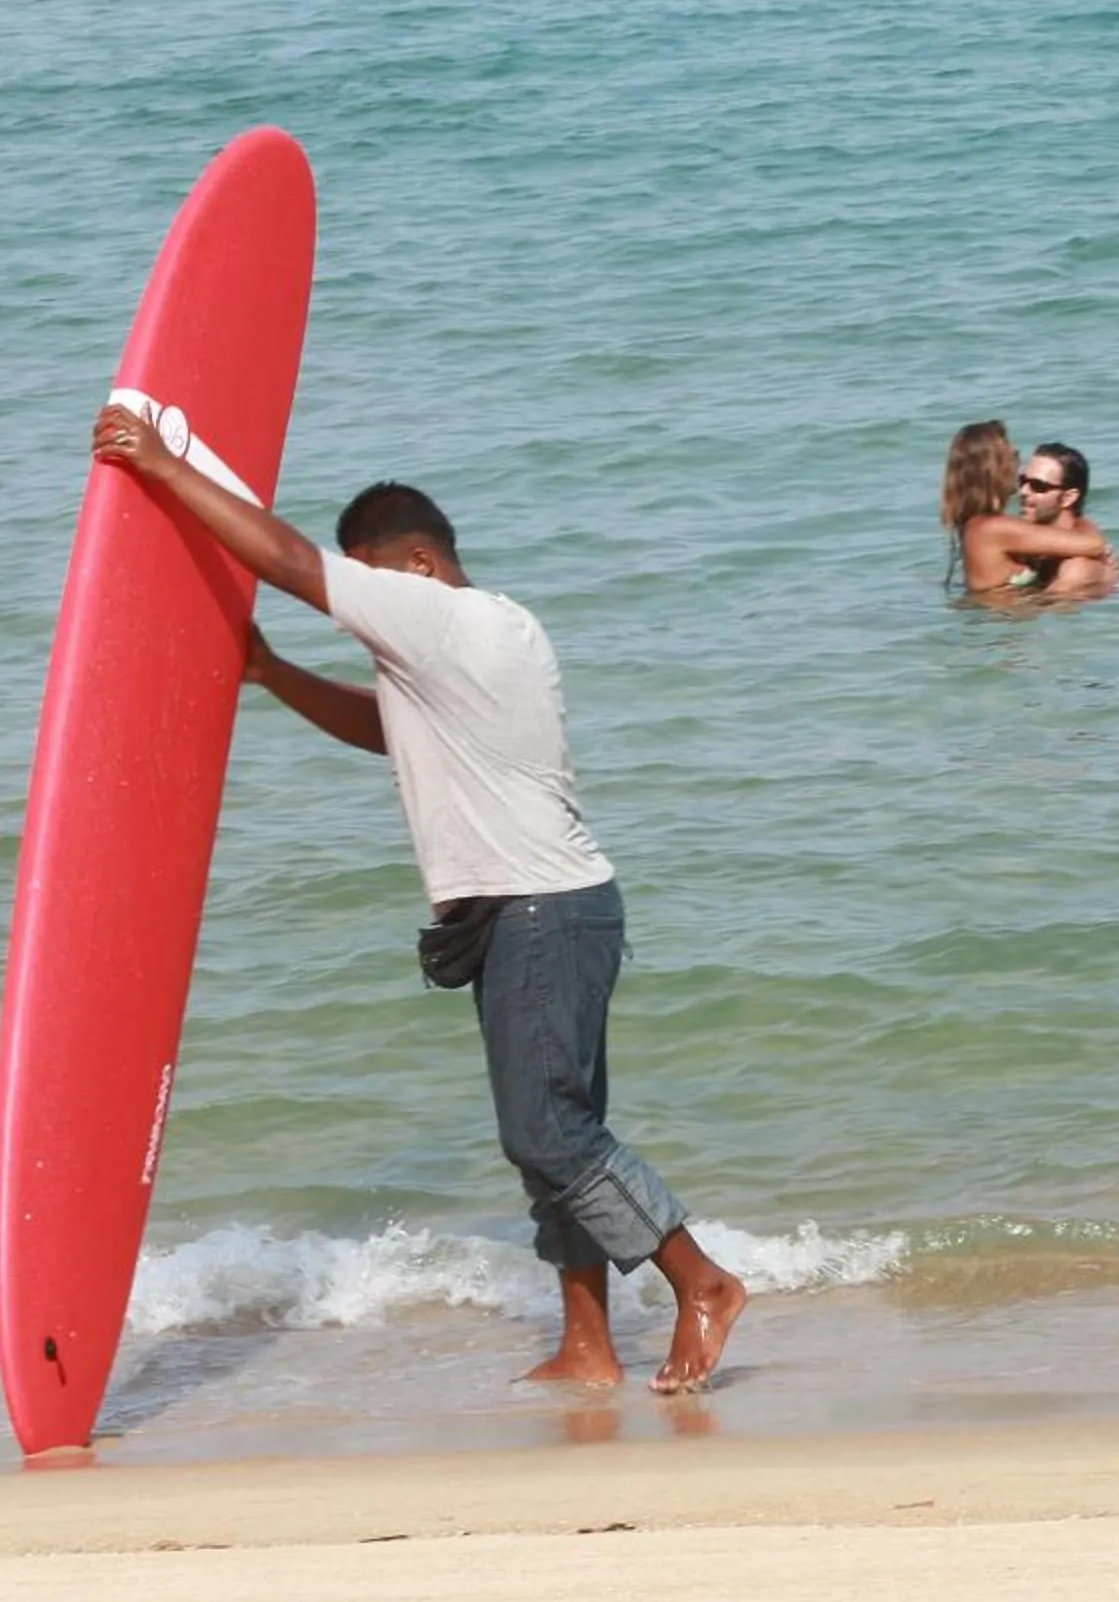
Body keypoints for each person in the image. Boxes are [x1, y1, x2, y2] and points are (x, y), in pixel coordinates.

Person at [89, 403, 748, 1396]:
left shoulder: (441, 612)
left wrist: (164, 465)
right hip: (549, 909)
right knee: (555, 1137)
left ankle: (701, 1280)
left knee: (549, 1133)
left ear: (416, 565)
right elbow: (382, 729)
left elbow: (290, 561)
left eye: (372, 582)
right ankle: (587, 1345)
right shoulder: (492, 635)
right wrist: (269, 673)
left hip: (538, 909)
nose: (366, 615)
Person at [940, 420, 1114, 595]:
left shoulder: (981, 527)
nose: (1017, 466)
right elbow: (1094, 544)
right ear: (994, 468)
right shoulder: (992, 528)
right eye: (1013, 457)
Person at [1017, 441, 1119, 598]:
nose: (1023, 491)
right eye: (1023, 481)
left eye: (1038, 486)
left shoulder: (1076, 569)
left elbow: (1035, 617)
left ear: (1068, 498)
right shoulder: (1036, 544)